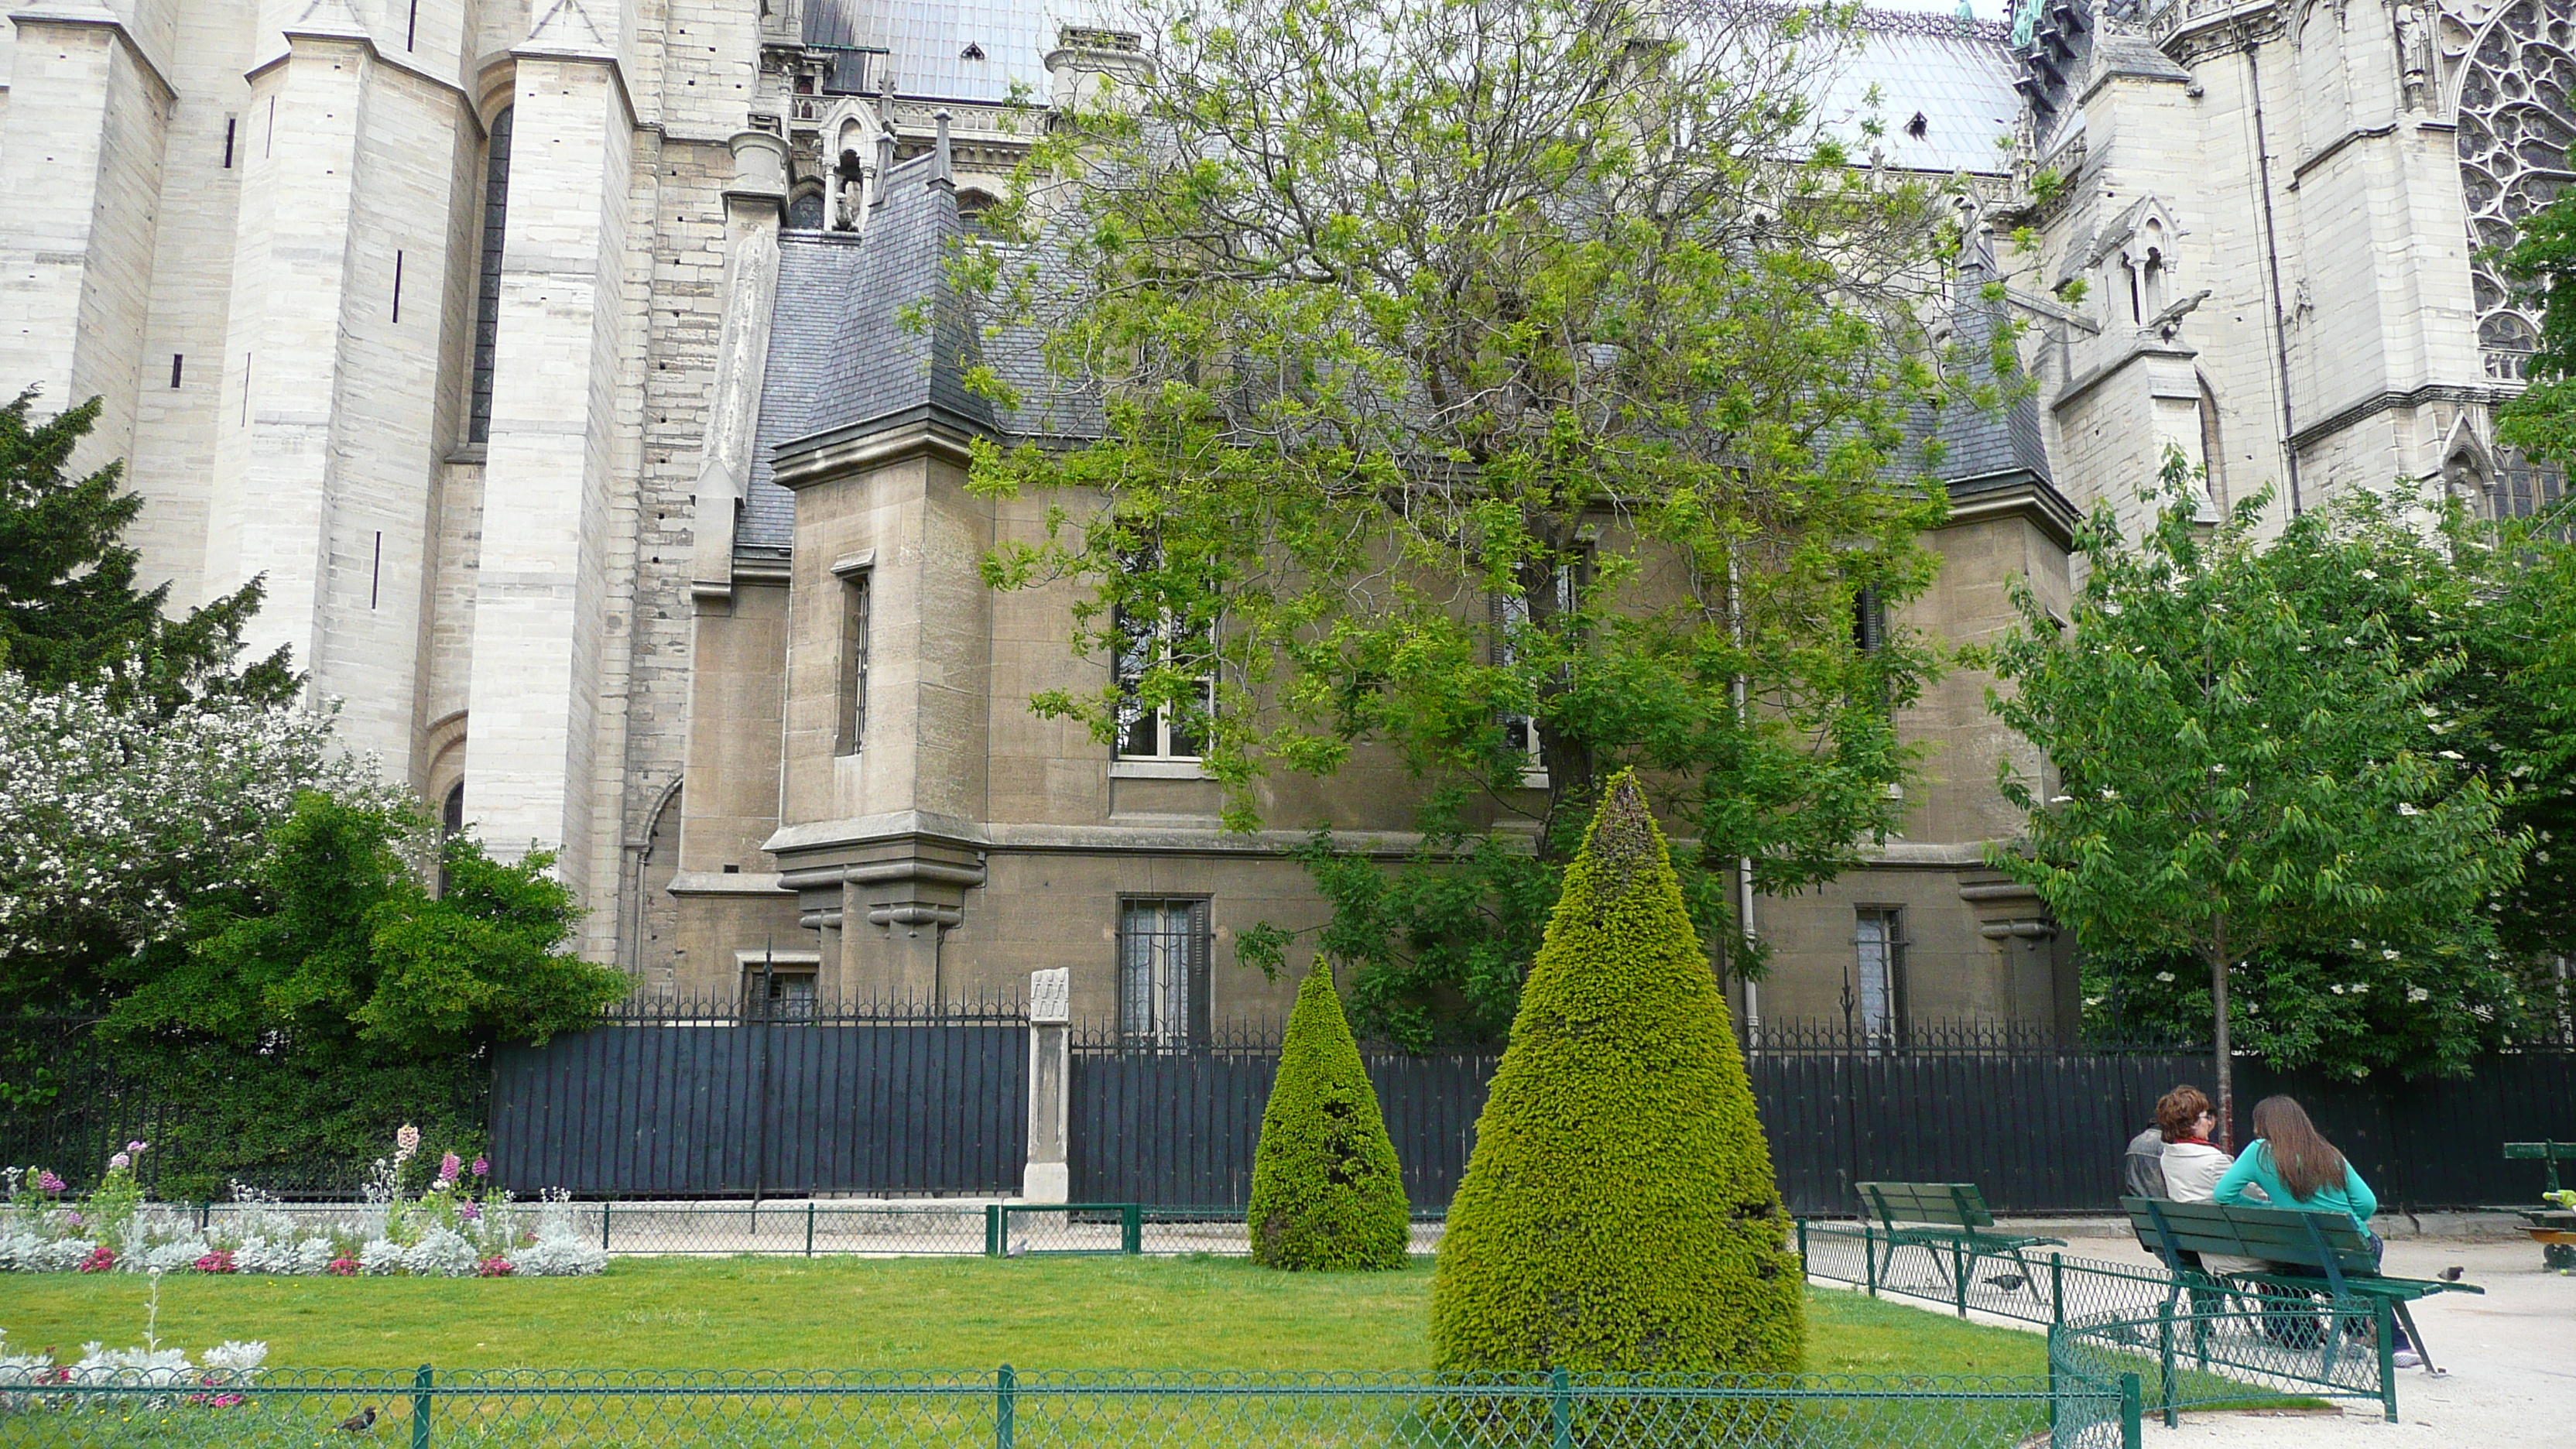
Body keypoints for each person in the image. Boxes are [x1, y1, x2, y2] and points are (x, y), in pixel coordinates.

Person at [2212, 1094, 2417, 1366]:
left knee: (2335, 1275)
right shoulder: (2328, 1152)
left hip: (2304, 1255)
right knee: (2356, 1272)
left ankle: (2358, 1334)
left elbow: (2224, 1195)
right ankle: (2393, 1344)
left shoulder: (2258, 1152)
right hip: (2352, 1248)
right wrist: (2351, 1223)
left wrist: (2272, 1209)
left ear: (2264, 1125)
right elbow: (2367, 1202)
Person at [2156, 1086, 2232, 1203]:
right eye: (2207, 1117)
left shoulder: (2166, 1157)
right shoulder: (2215, 1161)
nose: (2210, 1122)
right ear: (2193, 1123)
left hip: (2182, 1220)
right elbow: (2256, 1195)